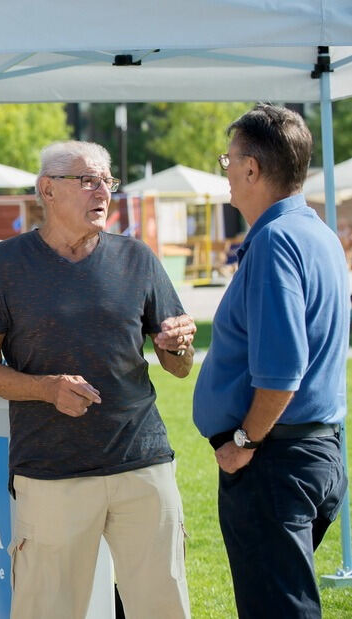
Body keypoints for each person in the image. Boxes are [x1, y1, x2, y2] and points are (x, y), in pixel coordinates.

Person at [0, 140, 194, 619]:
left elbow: (178, 365)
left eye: (108, 180)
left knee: (164, 606)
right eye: (88, 180)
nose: (102, 191)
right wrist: (46, 389)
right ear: (48, 190)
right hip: (51, 472)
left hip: (141, 462)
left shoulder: (138, 258)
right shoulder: (3, 264)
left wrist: (178, 347)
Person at [193, 104, 350, 619]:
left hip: (275, 460)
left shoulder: (276, 241)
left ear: (253, 168)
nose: (227, 174)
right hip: (312, 451)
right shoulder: (317, 233)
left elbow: (282, 372)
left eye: (228, 161)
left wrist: (244, 442)